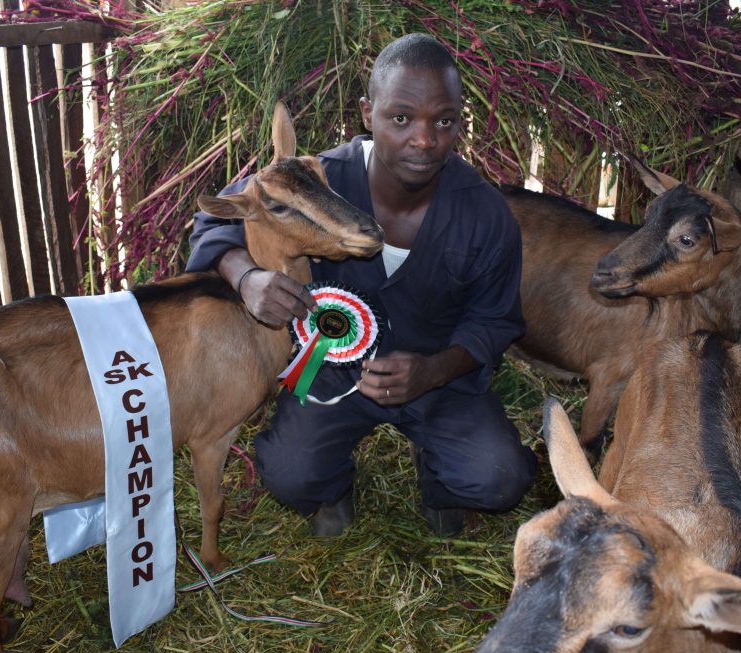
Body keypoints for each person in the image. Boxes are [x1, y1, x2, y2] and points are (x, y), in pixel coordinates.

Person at [186, 33, 536, 537]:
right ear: (367, 113)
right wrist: (247, 277)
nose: (424, 139)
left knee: (499, 479)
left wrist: (434, 370)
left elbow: (495, 320)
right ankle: (331, 485)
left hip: (437, 377)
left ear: (460, 121)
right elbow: (218, 218)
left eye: (444, 121)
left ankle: (439, 480)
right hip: (331, 369)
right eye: (401, 118)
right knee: (289, 473)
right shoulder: (318, 178)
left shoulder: (485, 214)